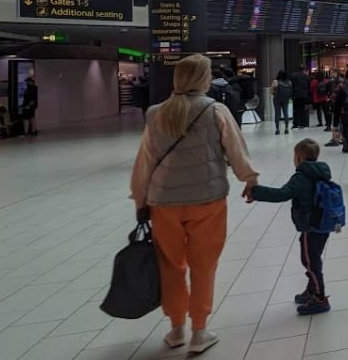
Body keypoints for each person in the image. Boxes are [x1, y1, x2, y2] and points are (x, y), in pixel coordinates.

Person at [129, 54, 259, 353]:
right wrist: (249, 180)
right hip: (207, 199)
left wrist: (140, 199)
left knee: (171, 266)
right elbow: (236, 150)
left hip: (163, 202)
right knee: (204, 265)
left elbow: (144, 163)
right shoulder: (215, 111)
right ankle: (200, 330)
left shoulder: (156, 113)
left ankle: (176, 329)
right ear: (203, 78)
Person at [247, 139, 334, 315]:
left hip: (311, 225)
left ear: (298, 158)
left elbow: (282, 194)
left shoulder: (301, 177)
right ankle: (312, 289)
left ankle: (320, 298)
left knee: (310, 261)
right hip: (322, 223)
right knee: (311, 257)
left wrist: (256, 192)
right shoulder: (321, 172)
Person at [271, 70, 293, 135]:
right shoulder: (289, 82)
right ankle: (286, 129)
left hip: (277, 99)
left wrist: (274, 93)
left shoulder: (276, 81)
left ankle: (277, 129)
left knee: (277, 114)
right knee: (285, 113)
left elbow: (271, 91)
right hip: (286, 99)